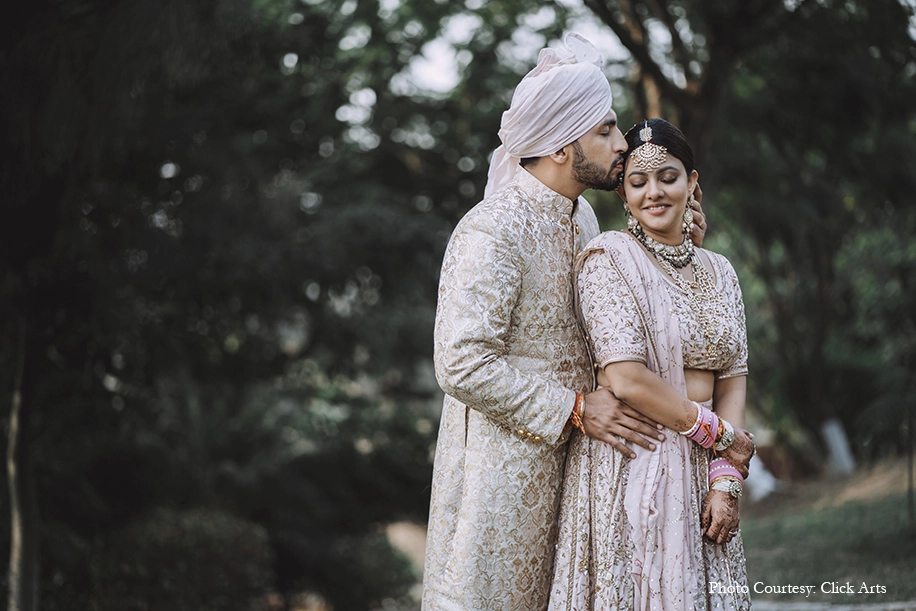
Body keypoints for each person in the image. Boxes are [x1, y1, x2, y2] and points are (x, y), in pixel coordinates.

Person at [421, 36, 709, 611]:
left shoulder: (582, 215)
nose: (621, 143)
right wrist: (575, 408)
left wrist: (681, 248)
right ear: (558, 147)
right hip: (501, 482)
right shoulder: (491, 230)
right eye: (604, 131)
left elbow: (619, 306)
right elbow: (460, 362)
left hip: (582, 475)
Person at [549, 118, 755, 610]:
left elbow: (734, 373)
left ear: (692, 182)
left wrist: (726, 478)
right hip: (641, 458)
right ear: (623, 194)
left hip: (706, 462)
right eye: (637, 183)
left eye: (668, 177)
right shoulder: (608, 259)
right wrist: (721, 435)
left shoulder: (719, 269)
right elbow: (625, 377)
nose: (654, 193)